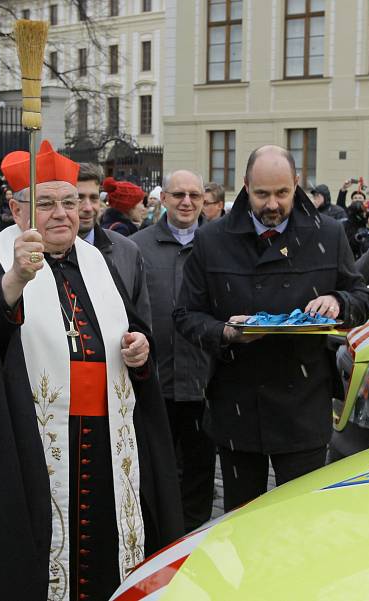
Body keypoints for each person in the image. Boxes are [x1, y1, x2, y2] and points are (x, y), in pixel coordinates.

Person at [0, 140, 182, 601]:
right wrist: (13, 283)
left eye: (69, 202)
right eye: (44, 203)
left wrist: (139, 350)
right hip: (34, 443)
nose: (61, 214)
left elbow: (133, 330)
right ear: (16, 208)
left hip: (108, 441)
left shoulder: (99, 263)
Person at [174, 144, 369, 512]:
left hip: (304, 407)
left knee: (300, 519)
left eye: (283, 193)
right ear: (246, 186)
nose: (272, 205)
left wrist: (339, 302)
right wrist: (228, 333)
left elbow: (361, 296)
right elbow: (186, 316)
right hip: (236, 404)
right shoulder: (212, 240)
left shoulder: (327, 234)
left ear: (297, 184)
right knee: (240, 520)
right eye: (262, 193)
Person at [132, 170, 217, 532]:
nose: (186, 202)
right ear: (163, 198)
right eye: (178, 194)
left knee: (200, 469)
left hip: (206, 380)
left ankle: (193, 536)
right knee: (156, 468)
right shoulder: (136, 246)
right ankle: (157, 538)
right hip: (155, 379)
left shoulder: (218, 244)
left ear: (205, 201)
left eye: (194, 195)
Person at [76, 163, 151, 324]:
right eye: (79, 198)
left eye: (94, 198)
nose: (88, 207)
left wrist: (142, 343)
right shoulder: (44, 254)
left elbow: (141, 318)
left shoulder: (128, 251)